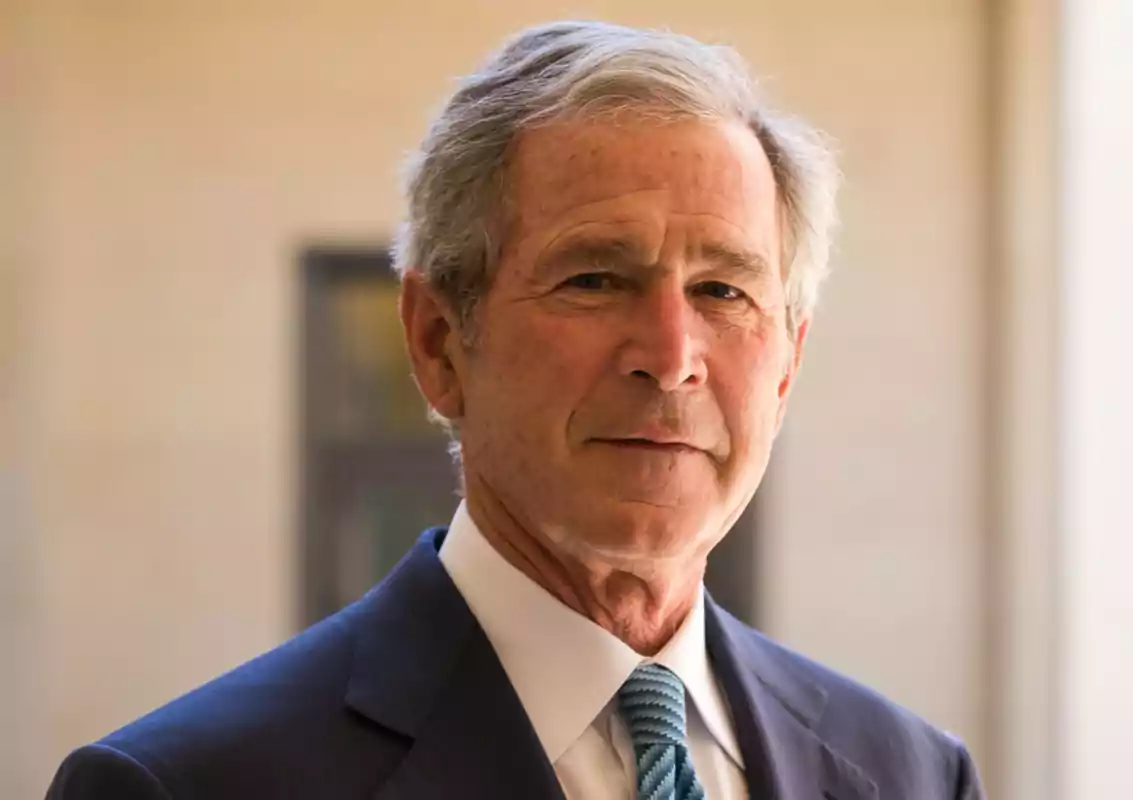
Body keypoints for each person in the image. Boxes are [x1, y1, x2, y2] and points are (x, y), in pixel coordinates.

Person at [48, 20, 985, 800]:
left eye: (723, 292)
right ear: (438, 344)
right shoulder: (186, 786)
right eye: (594, 278)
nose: (669, 360)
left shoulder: (910, 774)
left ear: (787, 366)